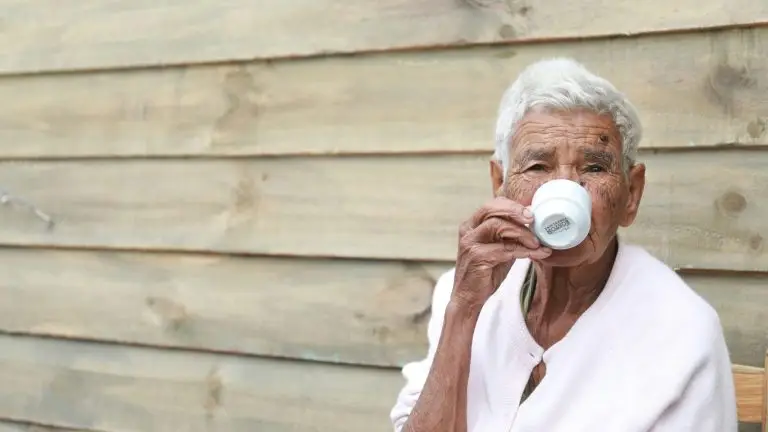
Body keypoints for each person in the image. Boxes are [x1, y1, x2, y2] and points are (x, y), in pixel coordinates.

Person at [389, 58, 737, 432]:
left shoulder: (682, 331)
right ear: (499, 184)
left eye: (594, 168)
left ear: (630, 195)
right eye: (538, 167)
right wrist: (462, 313)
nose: (567, 191)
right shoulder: (461, 295)